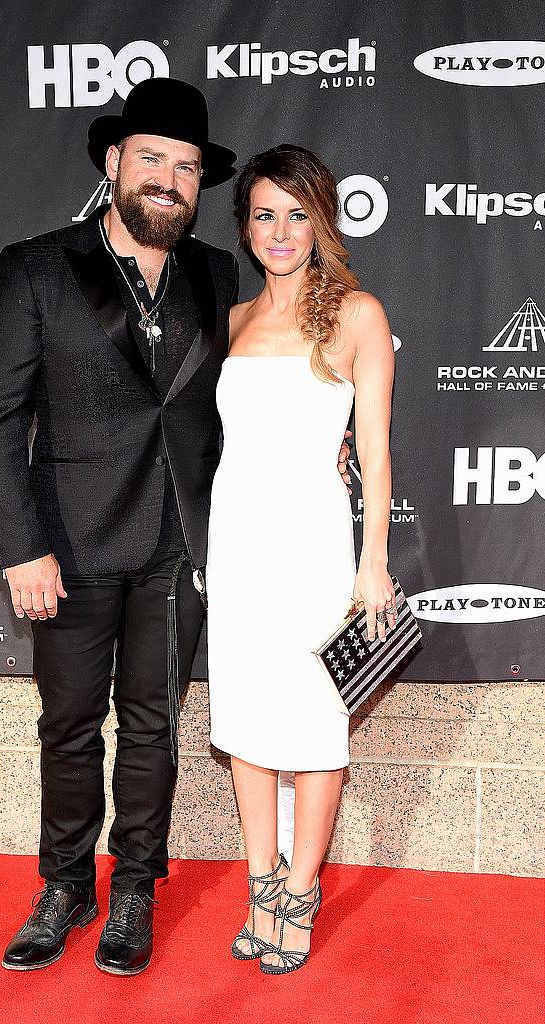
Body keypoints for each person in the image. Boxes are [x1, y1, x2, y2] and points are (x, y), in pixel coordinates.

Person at [0, 79, 351, 978]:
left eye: (186, 168)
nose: (169, 180)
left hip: (182, 544)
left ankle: (137, 882)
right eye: (152, 159)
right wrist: (21, 544)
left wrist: (329, 450)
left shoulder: (222, 275)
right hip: (65, 546)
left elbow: (285, 380)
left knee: (154, 728)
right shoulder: (36, 266)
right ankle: (64, 883)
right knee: (68, 725)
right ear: (114, 164)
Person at [206, 145, 397, 975]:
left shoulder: (358, 315)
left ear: (321, 222)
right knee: (245, 722)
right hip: (238, 545)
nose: (280, 231)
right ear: (245, 227)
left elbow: (379, 455)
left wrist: (373, 561)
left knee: (317, 728)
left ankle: (302, 890)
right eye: (263, 214)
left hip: (317, 545)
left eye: (296, 213)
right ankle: (260, 881)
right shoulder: (235, 321)